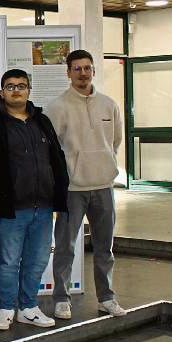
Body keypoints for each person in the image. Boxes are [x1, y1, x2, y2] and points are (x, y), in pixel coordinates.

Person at [0, 69, 68, 331]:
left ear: (29, 91)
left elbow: (56, 158)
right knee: (8, 261)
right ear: (2, 91)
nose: (16, 90)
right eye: (10, 86)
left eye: (21, 86)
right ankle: (5, 309)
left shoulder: (41, 121)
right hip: (10, 209)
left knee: (37, 260)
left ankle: (28, 308)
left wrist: (59, 193)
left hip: (43, 207)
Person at [46, 49, 126, 319]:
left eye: (87, 68)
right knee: (65, 247)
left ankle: (107, 298)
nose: (83, 73)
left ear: (93, 70)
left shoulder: (109, 105)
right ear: (68, 73)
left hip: (103, 187)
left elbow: (115, 141)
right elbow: (52, 149)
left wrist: (103, 165)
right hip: (72, 190)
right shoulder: (57, 107)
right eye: (77, 69)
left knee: (105, 247)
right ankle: (61, 298)